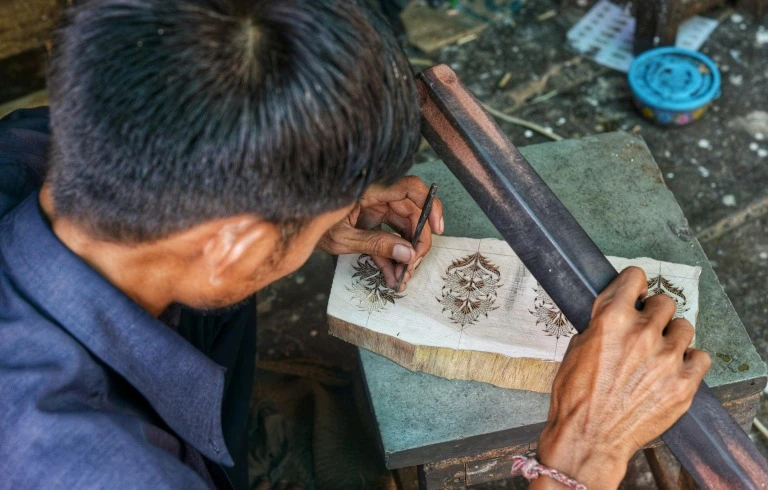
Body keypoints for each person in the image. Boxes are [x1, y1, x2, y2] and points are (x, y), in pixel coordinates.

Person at [0, 1, 710, 489]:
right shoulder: (96, 466)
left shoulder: (45, 143)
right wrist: (581, 458)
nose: (350, 216)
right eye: (330, 212)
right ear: (232, 248)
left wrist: (303, 206)